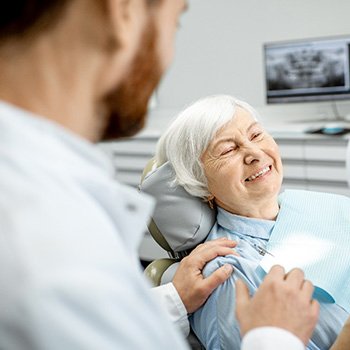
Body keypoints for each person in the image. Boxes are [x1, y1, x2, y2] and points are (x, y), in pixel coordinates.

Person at [0, 1, 321, 349]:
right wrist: (273, 337)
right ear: (123, 11)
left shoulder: (46, 201)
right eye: (176, 21)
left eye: (257, 135)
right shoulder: (38, 238)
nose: (253, 152)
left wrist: (175, 299)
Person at [155, 94, 350, 349]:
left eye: (256, 135)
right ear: (201, 185)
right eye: (228, 150)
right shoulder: (226, 273)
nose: (254, 153)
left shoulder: (323, 204)